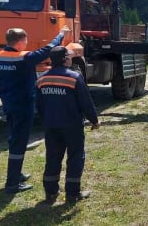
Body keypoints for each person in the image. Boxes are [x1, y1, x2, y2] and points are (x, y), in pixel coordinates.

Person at [0, 25, 70, 194]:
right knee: (19, 142)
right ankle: (12, 184)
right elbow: (48, 49)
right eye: (25, 41)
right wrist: (60, 34)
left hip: (8, 105)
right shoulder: (23, 58)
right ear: (20, 42)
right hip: (23, 106)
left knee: (14, 139)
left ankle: (16, 174)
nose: (26, 44)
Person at [36, 46, 100, 204]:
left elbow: (39, 105)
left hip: (51, 126)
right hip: (72, 126)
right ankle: (72, 193)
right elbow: (86, 102)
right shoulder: (74, 77)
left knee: (52, 157)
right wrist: (95, 120)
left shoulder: (41, 79)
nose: (71, 59)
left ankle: (51, 192)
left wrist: (46, 119)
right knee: (75, 157)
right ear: (65, 59)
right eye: (69, 57)